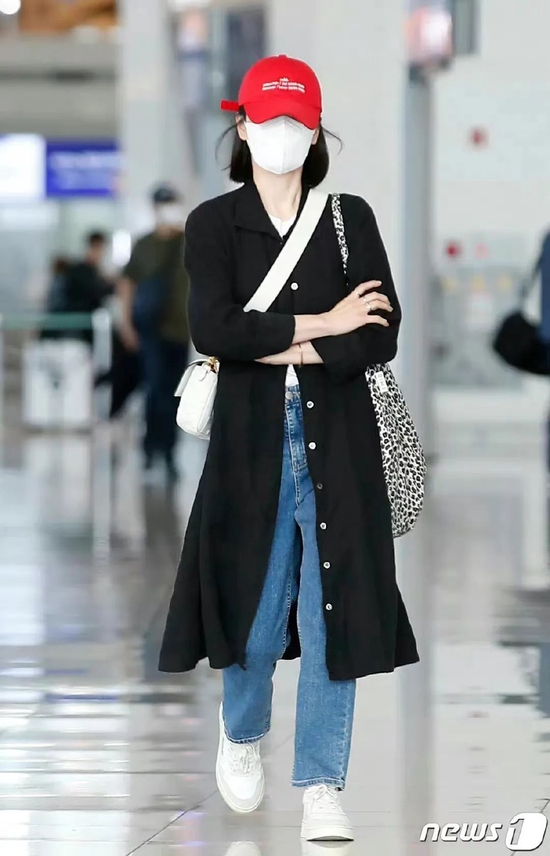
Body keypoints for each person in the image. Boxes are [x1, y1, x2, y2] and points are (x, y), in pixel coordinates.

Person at [158, 54, 419, 842]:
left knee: (335, 612)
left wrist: (286, 342)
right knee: (256, 606)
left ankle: (321, 786)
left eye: (296, 122)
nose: (281, 134)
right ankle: (241, 731)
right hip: (250, 442)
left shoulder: (349, 218)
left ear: (315, 132)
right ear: (241, 127)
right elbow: (216, 330)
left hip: (341, 440)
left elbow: (380, 334)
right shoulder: (214, 225)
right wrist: (325, 324)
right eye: (267, 119)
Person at [118, 184, 189, 481]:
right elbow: (127, 283)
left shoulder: (189, 242)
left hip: (181, 330)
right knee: (155, 389)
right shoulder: (144, 245)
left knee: (175, 392)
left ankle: (170, 452)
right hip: (151, 330)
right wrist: (125, 323)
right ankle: (151, 449)